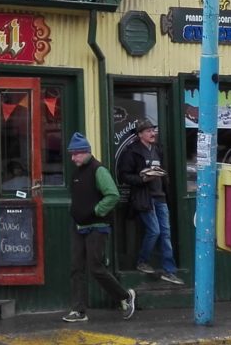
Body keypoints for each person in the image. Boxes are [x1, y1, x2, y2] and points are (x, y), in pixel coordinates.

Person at [63, 132, 136, 323]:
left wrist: (95, 211)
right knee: (76, 268)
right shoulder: (77, 173)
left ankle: (125, 296)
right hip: (79, 226)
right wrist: (75, 211)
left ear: (86, 152)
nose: (73, 158)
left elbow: (113, 195)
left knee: (96, 268)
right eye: (71, 154)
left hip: (97, 226)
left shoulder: (99, 170)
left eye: (76, 154)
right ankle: (78, 311)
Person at [119, 118, 183, 285]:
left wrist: (162, 178)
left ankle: (169, 271)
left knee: (166, 234)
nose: (152, 133)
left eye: (153, 130)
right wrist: (143, 178)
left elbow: (164, 171)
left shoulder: (158, 149)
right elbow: (124, 175)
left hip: (160, 196)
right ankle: (142, 261)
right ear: (140, 134)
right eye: (148, 131)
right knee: (154, 231)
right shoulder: (132, 151)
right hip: (144, 197)